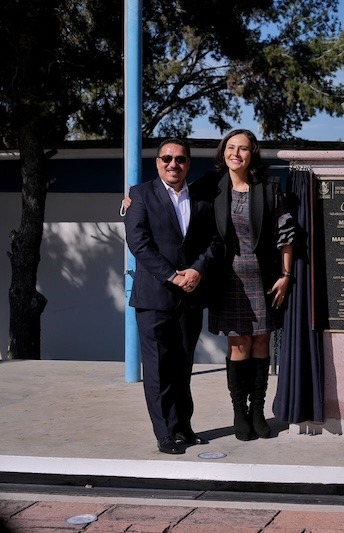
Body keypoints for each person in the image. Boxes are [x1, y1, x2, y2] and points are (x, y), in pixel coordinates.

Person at [124, 138, 222, 455]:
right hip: (154, 298)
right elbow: (139, 243)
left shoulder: (202, 198)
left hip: (189, 298)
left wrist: (198, 270)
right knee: (158, 369)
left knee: (182, 367)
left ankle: (183, 427)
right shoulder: (140, 194)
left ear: (188, 164)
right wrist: (172, 275)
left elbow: (214, 241)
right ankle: (164, 432)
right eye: (166, 158)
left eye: (180, 159)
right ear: (157, 163)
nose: (173, 164)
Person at [199, 129, 295, 441]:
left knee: (261, 342)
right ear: (222, 152)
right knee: (239, 343)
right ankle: (240, 411)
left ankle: (258, 411)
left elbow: (286, 234)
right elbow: (174, 196)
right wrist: (133, 198)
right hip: (227, 279)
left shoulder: (268, 188)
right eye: (230, 147)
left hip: (264, 277)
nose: (236, 153)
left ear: (252, 154)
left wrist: (286, 275)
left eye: (242, 148)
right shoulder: (211, 186)